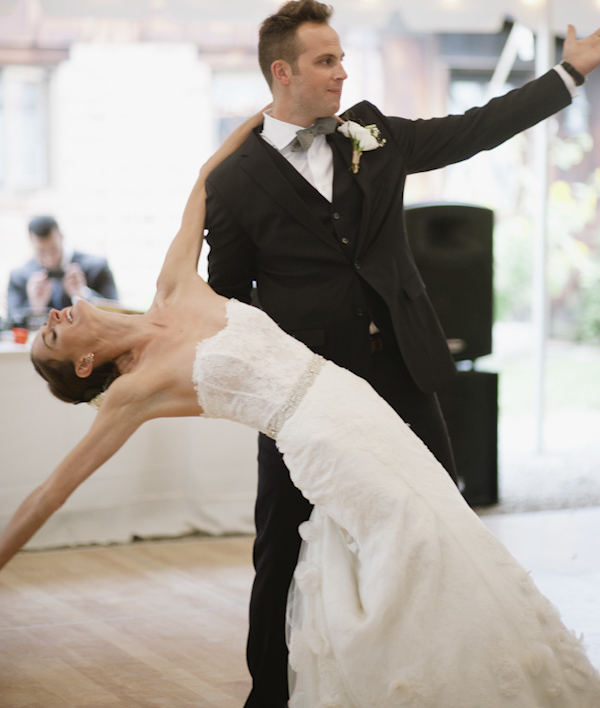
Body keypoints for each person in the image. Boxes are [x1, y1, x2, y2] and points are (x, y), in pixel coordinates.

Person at [0, 109, 599, 708]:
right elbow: (53, 490)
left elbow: (205, 178)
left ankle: (496, 664)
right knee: (412, 542)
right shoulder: (134, 392)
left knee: (442, 520)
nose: (53, 318)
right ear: (83, 367)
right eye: (54, 337)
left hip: (352, 397)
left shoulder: (174, 287)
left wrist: (271, 115)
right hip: (319, 438)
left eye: (49, 327)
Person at [204, 0, 600, 707]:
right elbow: (229, 300)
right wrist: (270, 383)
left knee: (443, 519)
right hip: (307, 393)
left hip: (403, 371)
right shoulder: (231, 184)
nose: (341, 73)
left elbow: (473, 130)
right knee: (281, 541)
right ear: (282, 71)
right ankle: (268, 693)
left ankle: (457, 674)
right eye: (326, 61)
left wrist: (568, 75)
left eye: (342, 58)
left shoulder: (372, 132)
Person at [7, 216, 118, 325]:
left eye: (53, 250)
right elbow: (9, 326)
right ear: (31, 244)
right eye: (41, 252)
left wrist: (83, 295)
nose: (49, 259)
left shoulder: (97, 267)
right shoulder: (18, 277)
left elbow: (117, 317)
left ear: (62, 237)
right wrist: (35, 308)